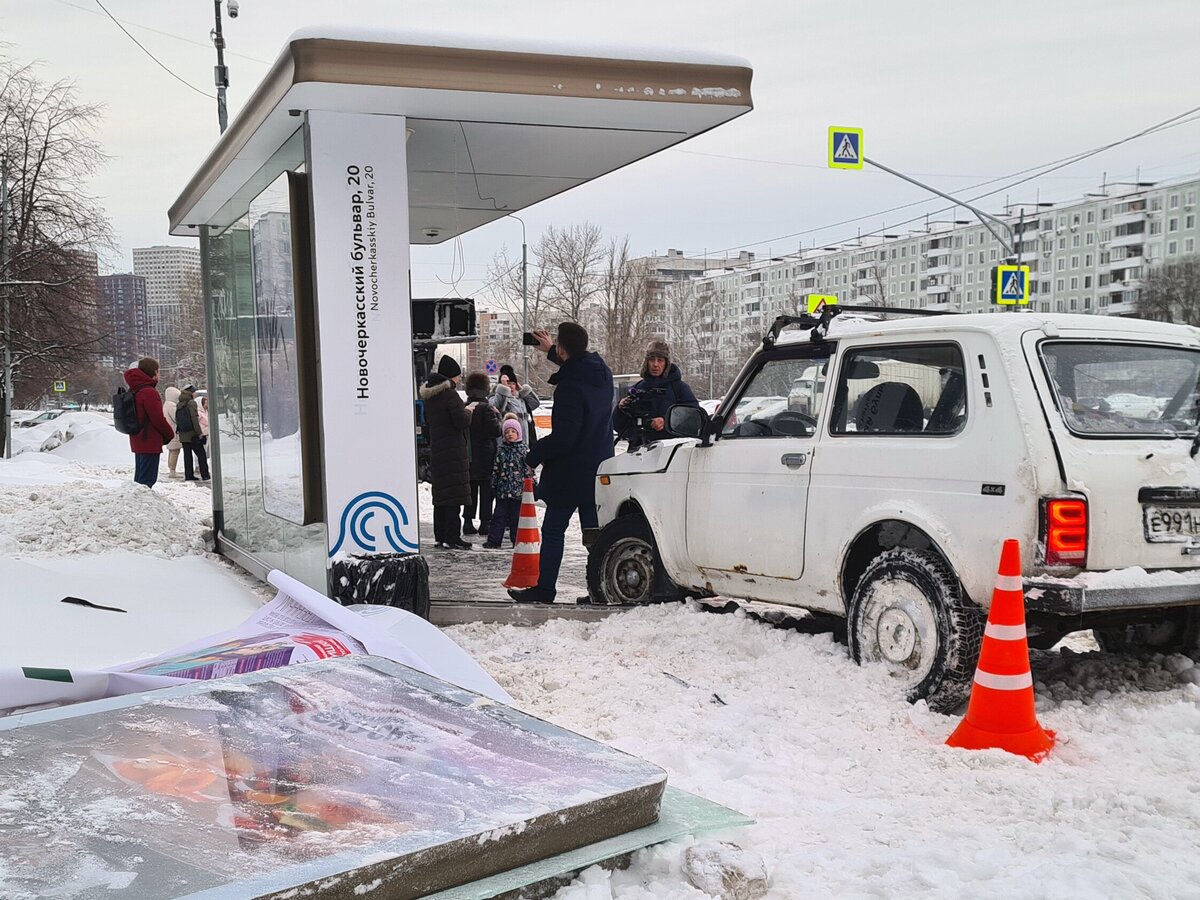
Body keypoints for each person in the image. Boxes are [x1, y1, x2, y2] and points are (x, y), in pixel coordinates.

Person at [508, 323, 614, 604]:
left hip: (570, 472)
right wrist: (552, 350)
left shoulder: (568, 387)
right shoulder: (602, 373)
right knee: (594, 536)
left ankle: (545, 590)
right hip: (598, 468)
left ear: (565, 349)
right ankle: (601, 590)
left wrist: (533, 455)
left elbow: (565, 438)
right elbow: (577, 363)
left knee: (554, 531)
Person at [420, 355, 473, 550]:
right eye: (457, 377)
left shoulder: (430, 397)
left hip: (438, 451)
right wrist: (468, 412)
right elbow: (460, 421)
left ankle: (440, 536)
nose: (459, 380)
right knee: (453, 497)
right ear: (450, 377)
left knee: (441, 496)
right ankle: (453, 537)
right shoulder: (450, 395)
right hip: (452, 452)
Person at [612, 340, 699, 450]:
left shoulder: (679, 388)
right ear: (646, 362)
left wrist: (667, 422)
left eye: (660, 360)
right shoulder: (637, 388)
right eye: (652, 360)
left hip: (671, 451)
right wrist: (620, 409)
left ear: (666, 363)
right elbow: (620, 427)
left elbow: (694, 417)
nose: (655, 364)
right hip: (639, 452)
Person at [121, 357, 175, 488]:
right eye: (159, 371)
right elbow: (157, 419)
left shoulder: (135, 390)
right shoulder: (149, 392)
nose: (159, 374)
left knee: (140, 479)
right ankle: (139, 506)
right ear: (154, 372)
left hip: (138, 439)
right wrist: (169, 434)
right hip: (149, 441)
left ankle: (137, 504)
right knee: (146, 481)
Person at [484, 414, 531, 549]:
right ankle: (494, 540)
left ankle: (517, 540)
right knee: (498, 517)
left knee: (516, 518)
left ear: (518, 433)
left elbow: (528, 470)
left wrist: (531, 484)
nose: (510, 434)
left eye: (513, 432)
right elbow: (496, 469)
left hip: (518, 492)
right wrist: (493, 485)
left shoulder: (523, 450)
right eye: (507, 432)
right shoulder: (501, 450)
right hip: (503, 491)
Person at [463, 371, 501, 536]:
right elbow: (496, 431)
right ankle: (485, 523)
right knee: (486, 492)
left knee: (470, 491)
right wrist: (498, 418)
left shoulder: (465, 407)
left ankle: (467, 522)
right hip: (486, 456)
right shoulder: (487, 408)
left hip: (469, 456)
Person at [490, 364, 540, 446]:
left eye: (513, 383)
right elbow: (497, 407)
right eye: (508, 383)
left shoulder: (521, 399)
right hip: (506, 444)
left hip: (523, 442)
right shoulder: (495, 397)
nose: (511, 386)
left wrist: (523, 390)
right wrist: (503, 389)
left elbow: (535, 403)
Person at [175, 385, 210, 482]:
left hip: (183, 433)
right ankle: (205, 475)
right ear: (191, 393)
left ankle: (189, 475)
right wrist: (199, 432)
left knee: (187, 455)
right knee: (201, 454)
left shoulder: (180, 403)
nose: (195, 394)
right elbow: (194, 418)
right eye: (194, 392)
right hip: (192, 434)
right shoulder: (191, 403)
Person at [163, 386, 183, 479]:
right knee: (175, 451)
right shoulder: (172, 406)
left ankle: (171, 469)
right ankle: (172, 471)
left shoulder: (166, 404)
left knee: (172, 451)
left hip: (169, 430)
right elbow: (177, 418)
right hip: (174, 431)